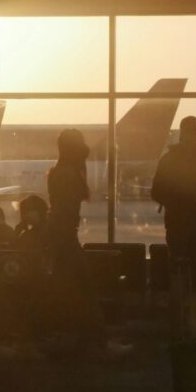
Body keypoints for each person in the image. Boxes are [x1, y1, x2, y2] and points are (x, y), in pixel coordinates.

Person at [47, 128, 131, 358]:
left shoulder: (58, 172)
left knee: (73, 289)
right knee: (85, 289)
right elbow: (65, 211)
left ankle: (80, 339)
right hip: (65, 237)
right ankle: (98, 343)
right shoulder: (68, 174)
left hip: (60, 236)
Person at [151, 115, 196, 288]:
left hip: (176, 224)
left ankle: (179, 310)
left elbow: (156, 192)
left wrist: (173, 201)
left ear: (181, 134)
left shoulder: (167, 160)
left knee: (178, 273)